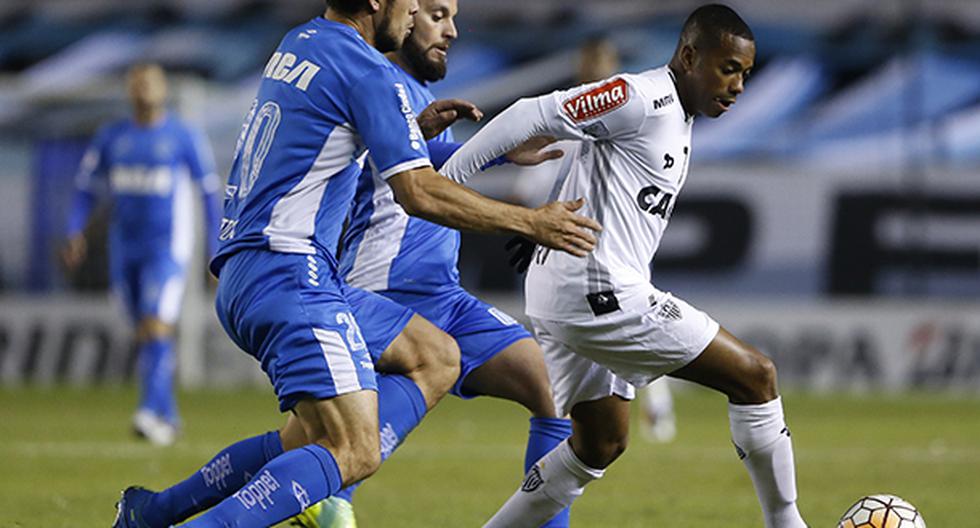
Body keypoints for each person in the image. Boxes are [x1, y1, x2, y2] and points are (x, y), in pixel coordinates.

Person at [112, 0, 601, 526]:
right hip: (290, 270)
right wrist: (531, 222)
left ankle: (153, 512)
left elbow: (327, 141)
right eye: (414, 5)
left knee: (433, 360)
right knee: (352, 449)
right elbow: (416, 193)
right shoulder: (367, 69)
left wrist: (438, 136)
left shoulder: (301, 42)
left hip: (260, 268)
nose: (414, 14)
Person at [442, 5, 809, 527]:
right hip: (596, 292)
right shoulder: (642, 98)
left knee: (600, 445)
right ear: (688, 55)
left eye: (745, 73)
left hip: (567, 288)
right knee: (756, 375)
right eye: (728, 68)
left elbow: (588, 165)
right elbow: (532, 113)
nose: (739, 86)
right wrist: (450, 177)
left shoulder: (676, 119)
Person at [292, 0, 574, 526]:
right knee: (327, 446)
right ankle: (309, 499)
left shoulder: (417, 100)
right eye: (438, 15)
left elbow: (424, 159)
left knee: (552, 390)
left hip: (443, 297)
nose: (453, 30)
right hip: (379, 292)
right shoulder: (368, 82)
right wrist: (526, 216)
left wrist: (499, 149)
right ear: (406, 12)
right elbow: (397, 175)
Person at [62, 63, 221, 446]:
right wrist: (74, 231)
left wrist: (216, 250)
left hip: (167, 248)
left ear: (164, 89)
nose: (143, 89)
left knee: (156, 324)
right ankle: (168, 417)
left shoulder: (182, 136)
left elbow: (209, 193)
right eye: (136, 82)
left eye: (150, 82)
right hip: (125, 247)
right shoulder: (112, 137)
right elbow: (86, 190)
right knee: (144, 331)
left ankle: (149, 411)